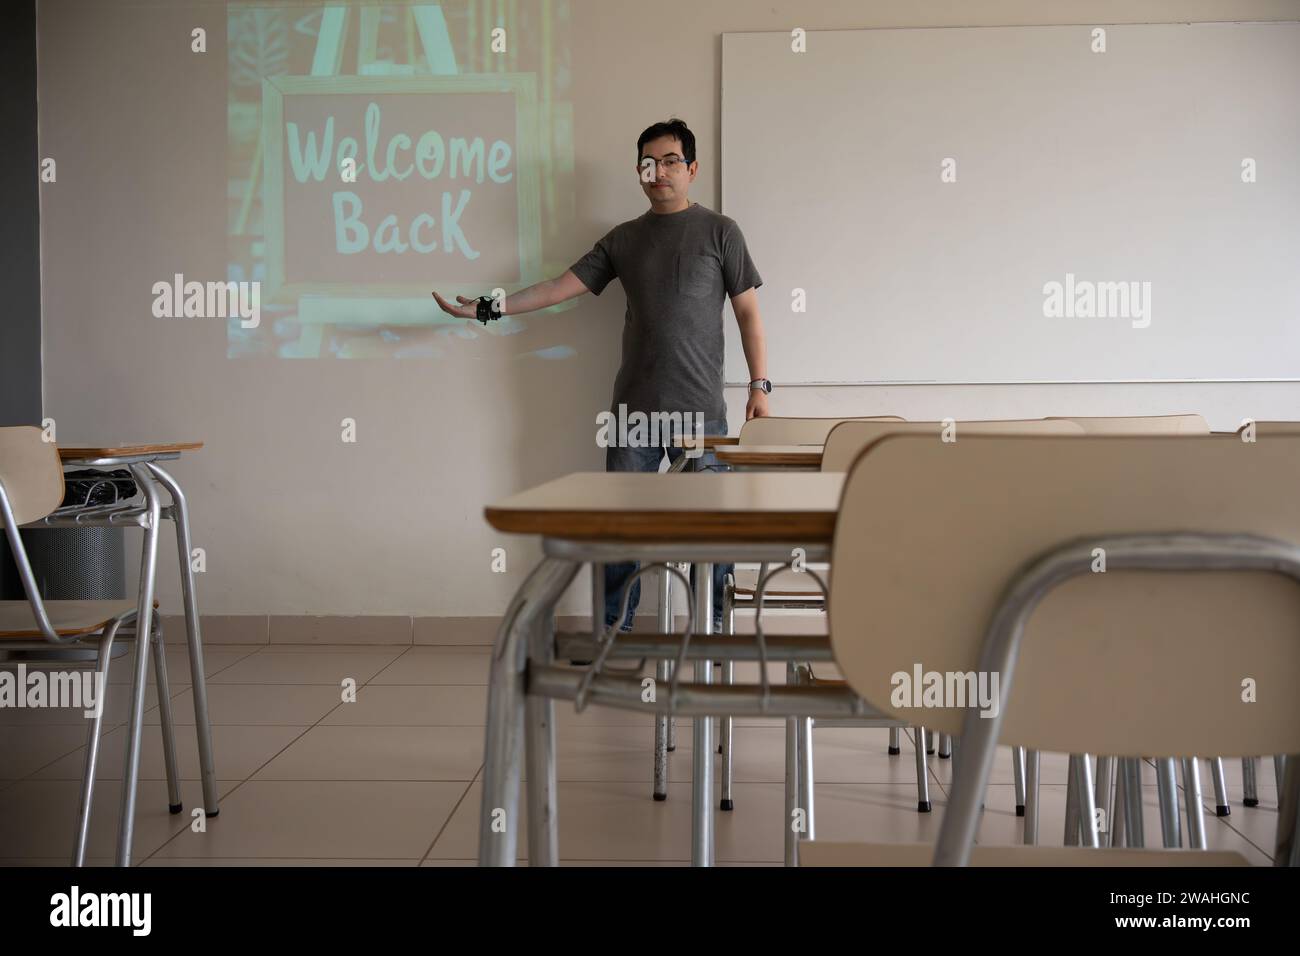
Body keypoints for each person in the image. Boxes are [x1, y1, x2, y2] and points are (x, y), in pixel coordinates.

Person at [434, 117, 771, 634]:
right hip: (633, 413)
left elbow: (749, 313)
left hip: (704, 416)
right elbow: (554, 288)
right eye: (647, 163)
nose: (657, 171)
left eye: (669, 161)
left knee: (710, 530)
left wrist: (760, 386)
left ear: (692, 168)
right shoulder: (623, 239)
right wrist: (487, 308)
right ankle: (616, 632)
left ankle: (714, 629)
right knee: (620, 528)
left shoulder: (721, 232)